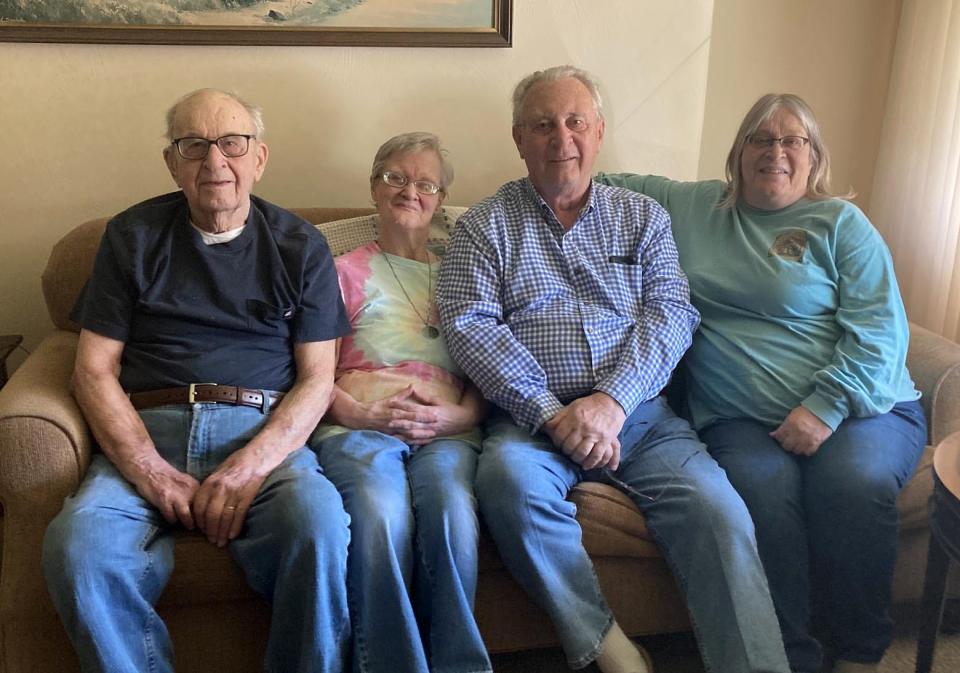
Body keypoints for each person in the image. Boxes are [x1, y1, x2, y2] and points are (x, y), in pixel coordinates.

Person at [437, 65, 790, 673]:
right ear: (518, 138)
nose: (561, 138)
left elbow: (673, 313)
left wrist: (613, 401)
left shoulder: (643, 217)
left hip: (642, 417)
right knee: (507, 487)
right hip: (530, 421)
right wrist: (551, 413)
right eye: (543, 125)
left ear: (599, 132)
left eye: (576, 122)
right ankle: (608, 647)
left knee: (720, 513)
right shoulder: (483, 226)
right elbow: (471, 328)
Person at [597, 93, 926, 673]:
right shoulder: (695, 206)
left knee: (853, 483)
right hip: (739, 419)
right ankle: (788, 656)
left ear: (813, 155)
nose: (775, 151)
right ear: (738, 152)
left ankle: (859, 652)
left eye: (791, 140)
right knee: (758, 494)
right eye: (760, 138)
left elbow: (881, 333)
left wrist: (823, 408)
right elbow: (592, 174)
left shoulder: (841, 224)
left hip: (861, 409)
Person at [41, 88, 353, 673]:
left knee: (318, 529)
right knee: (77, 548)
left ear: (258, 157)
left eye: (232, 143)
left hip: (261, 433)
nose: (215, 162)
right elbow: (93, 369)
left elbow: (317, 380)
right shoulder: (130, 237)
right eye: (194, 145)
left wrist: (250, 465)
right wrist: (152, 473)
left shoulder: (300, 246)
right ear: (171, 161)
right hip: (149, 429)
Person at [312, 132, 491, 673]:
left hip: (449, 431)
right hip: (357, 426)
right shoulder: (338, 272)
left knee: (453, 514)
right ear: (374, 187)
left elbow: (491, 366)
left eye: (425, 183)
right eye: (395, 177)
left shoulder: (465, 271)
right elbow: (311, 375)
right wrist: (363, 414)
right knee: (378, 512)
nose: (409, 191)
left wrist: (461, 416)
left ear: (440, 200)